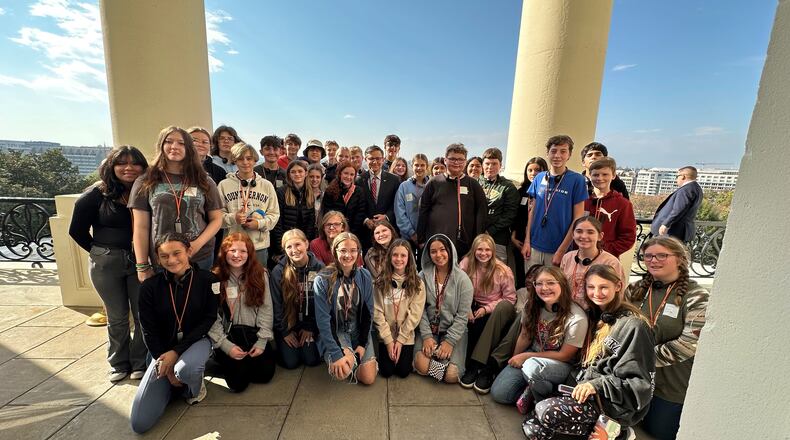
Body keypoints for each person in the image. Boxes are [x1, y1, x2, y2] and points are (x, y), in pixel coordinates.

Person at [522, 264, 655, 440]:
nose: (596, 293)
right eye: (591, 287)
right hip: (580, 389)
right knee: (532, 428)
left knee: (545, 412)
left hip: (609, 403)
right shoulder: (593, 315)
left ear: (618, 286)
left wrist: (595, 385)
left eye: (603, 287)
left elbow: (640, 384)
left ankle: (619, 431)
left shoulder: (635, 326)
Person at [69, 145, 149, 382]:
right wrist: (100, 252)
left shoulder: (146, 191)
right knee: (117, 317)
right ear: (111, 167)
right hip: (107, 263)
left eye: (135, 163)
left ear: (143, 167)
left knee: (143, 315)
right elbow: (77, 230)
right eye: (122, 163)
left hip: (140, 262)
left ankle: (139, 362)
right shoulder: (97, 194)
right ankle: (118, 363)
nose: (128, 168)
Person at [130, 234, 218, 434]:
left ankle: (193, 387)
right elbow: (148, 330)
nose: (171, 260)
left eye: (177, 253)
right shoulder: (149, 287)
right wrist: (165, 365)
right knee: (140, 423)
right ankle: (174, 382)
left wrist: (176, 352)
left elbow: (209, 319)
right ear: (158, 259)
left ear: (189, 252)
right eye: (164, 256)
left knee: (187, 369)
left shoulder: (209, 280)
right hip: (163, 350)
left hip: (196, 341)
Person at [626, 236, 709, 440]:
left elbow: (689, 344)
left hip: (670, 386)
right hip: (632, 380)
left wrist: (640, 359)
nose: (653, 260)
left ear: (680, 258)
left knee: (657, 433)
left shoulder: (697, 296)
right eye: (648, 256)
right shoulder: (634, 290)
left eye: (662, 255)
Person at [489, 266, 588, 412]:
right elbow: (525, 336)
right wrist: (515, 359)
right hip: (533, 355)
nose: (544, 288)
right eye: (539, 283)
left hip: (560, 364)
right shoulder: (531, 305)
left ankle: (545, 399)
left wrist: (527, 356)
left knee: (531, 366)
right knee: (499, 394)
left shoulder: (577, 317)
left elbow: (565, 355)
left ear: (562, 284)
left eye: (550, 283)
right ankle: (531, 388)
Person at [129, 126, 223, 275]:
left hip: (199, 256)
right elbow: (141, 227)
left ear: (189, 148)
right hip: (163, 258)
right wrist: (142, 265)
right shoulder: (146, 180)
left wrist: (196, 244)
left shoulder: (203, 180)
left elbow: (217, 219)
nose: (174, 146)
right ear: (161, 145)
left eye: (181, 143)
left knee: (198, 291)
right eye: (169, 141)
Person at [208, 233, 276, 392]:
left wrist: (261, 341)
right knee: (238, 385)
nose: (237, 255)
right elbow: (211, 315)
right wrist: (226, 346)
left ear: (249, 253)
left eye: (243, 251)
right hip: (228, 336)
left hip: (253, 334)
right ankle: (222, 359)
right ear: (224, 252)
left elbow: (266, 308)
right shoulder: (215, 277)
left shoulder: (260, 274)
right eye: (232, 250)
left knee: (264, 376)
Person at [313, 232, 378, 384]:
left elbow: (369, 312)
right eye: (343, 250)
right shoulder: (322, 279)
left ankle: (353, 357)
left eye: (353, 250)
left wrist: (362, 344)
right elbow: (323, 321)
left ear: (358, 252)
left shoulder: (365, 275)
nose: (348, 255)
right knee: (342, 371)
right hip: (337, 330)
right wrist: (337, 353)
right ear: (335, 251)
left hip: (357, 329)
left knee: (368, 378)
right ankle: (344, 356)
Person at [457, 233, 517, 393]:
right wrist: (466, 307)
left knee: (494, 315)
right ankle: (471, 366)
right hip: (473, 304)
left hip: (497, 309)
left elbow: (510, 299)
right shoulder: (466, 263)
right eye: (480, 249)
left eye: (487, 250)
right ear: (474, 250)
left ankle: (477, 365)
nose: (483, 253)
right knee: (474, 325)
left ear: (493, 251)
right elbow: (458, 287)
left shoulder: (503, 270)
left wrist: (486, 309)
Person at [413, 234, 473, 383]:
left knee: (452, 375)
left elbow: (462, 316)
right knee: (421, 364)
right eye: (433, 251)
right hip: (429, 329)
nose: (438, 255)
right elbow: (419, 309)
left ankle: (442, 363)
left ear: (450, 251)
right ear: (428, 254)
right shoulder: (422, 276)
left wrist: (449, 342)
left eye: (442, 250)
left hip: (453, 331)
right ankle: (439, 364)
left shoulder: (463, 280)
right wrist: (426, 336)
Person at [521, 135, 588, 267]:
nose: (557, 155)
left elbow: (578, 219)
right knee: (531, 280)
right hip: (534, 247)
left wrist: (562, 250)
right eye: (553, 151)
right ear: (547, 153)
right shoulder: (539, 178)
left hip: (558, 250)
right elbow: (531, 211)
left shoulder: (577, 180)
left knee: (553, 281)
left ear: (569, 155)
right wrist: (527, 242)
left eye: (563, 151)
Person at [417, 143, 488, 259]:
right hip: (437, 243)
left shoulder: (473, 184)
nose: (456, 162)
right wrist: (421, 239)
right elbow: (423, 211)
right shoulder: (434, 183)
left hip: (465, 246)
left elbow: (481, 213)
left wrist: (478, 241)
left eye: (460, 159)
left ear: (465, 162)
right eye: (453, 159)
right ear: (445, 160)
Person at [217, 143, 280, 266]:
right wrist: (233, 218)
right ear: (235, 160)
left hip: (259, 246)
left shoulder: (266, 185)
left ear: (255, 160)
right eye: (241, 159)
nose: (245, 162)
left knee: (258, 277)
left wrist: (259, 223)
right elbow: (217, 217)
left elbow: (274, 214)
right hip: (233, 246)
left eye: (249, 158)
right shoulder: (224, 185)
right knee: (232, 277)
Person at [269, 229, 324, 369]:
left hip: (310, 323)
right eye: (289, 247)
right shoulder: (278, 272)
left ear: (306, 244)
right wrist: (285, 332)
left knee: (311, 360)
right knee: (291, 363)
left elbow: (322, 304)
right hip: (288, 324)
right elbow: (276, 304)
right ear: (284, 250)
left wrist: (311, 327)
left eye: (298, 244)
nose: (294, 250)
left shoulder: (319, 268)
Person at [373, 239, 426, 378]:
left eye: (403, 255)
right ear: (389, 257)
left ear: (409, 258)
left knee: (403, 372)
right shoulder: (380, 282)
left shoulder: (418, 283)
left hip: (406, 336)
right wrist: (388, 341)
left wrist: (401, 340)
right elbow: (377, 313)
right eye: (395, 255)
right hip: (386, 335)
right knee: (386, 372)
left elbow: (415, 314)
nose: (399, 259)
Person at [560, 216, 625, 308]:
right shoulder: (567, 257)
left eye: (590, 232)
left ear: (600, 236)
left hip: (596, 312)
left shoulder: (611, 262)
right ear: (573, 235)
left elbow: (619, 295)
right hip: (569, 310)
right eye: (579, 231)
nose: (584, 236)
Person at [585, 157, 636, 258]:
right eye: (596, 175)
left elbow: (628, 237)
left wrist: (603, 250)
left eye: (605, 174)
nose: (600, 178)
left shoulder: (623, 204)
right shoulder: (582, 201)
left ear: (613, 176)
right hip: (580, 254)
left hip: (606, 258)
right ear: (590, 176)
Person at [511, 157, 548, 289]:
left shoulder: (546, 192)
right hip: (519, 240)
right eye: (530, 170)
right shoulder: (521, 191)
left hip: (537, 240)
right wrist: (513, 237)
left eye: (537, 170)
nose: (533, 173)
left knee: (538, 275)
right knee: (522, 274)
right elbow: (516, 216)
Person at [271, 160, 317, 262]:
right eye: (293, 172)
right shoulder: (281, 192)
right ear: (289, 174)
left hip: (302, 242)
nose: (297, 174)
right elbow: (277, 222)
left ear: (306, 173)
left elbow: (311, 222)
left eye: (300, 171)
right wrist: (281, 247)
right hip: (285, 242)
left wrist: (306, 244)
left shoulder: (309, 193)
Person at [479, 147, 520, 264]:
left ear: (500, 165)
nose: (490, 167)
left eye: (494, 164)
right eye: (487, 163)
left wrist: (490, 231)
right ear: (482, 165)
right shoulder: (475, 183)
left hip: (498, 239)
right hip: (476, 237)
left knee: (498, 270)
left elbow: (510, 214)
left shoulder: (508, 187)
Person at [358, 145, 400, 249]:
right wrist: (366, 220)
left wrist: (386, 217)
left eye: (378, 158)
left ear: (383, 159)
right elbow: (356, 205)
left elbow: (397, 205)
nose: (375, 162)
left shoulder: (394, 180)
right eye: (371, 158)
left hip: (388, 231)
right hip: (366, 233)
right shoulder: (358, 180)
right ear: (365, 159)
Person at [651, 166, 703, 243]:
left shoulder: (686, 190)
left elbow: (678, 209)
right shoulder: (697, 188)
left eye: (677, 176)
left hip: (673, 232)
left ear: (683, 176)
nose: (676, 179)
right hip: (681, 231)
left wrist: (666, 224)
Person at [320, 161, 369, 242]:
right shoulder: (330, 191)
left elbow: (360, 214)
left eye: (352, 174)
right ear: (340, 174)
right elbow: (328, 214)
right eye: (346, 173)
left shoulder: (359, 191)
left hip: (354, 233)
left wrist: (350, 234)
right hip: (334, 232)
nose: (348, 177)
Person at [394, 153, 430, 251]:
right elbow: (399, 212)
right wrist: (412, 233)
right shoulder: (404, 186)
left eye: (422, 165)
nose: (419, 168)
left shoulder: (431, 185)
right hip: (408, 237)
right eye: (416, 165)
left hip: (427, 236)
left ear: (427, 166)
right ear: (412, 166)